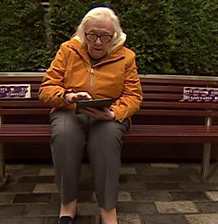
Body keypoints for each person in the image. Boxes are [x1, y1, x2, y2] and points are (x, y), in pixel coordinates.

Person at [38, 6, 143, 224]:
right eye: (92, 34)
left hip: (108, 114)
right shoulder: (67, 50)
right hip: (70, 110)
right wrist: (68, 97)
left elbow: (133, 97)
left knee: (105, 139)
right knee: (65, 135)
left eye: (105, 36)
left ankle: (107, 208)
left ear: (114, 36)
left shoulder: (126, 57)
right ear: (83, 33)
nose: (97, 42)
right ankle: (68, 203)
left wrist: (114, 113)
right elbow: (46, 89)